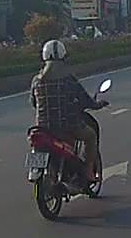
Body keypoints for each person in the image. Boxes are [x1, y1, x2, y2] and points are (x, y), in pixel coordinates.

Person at [30, 39, 106, 182]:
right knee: (90, 136)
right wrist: (98, 104)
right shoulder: (68, 80)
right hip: (68, 125)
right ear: (64, 58)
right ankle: (89, 170)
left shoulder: (37, 80)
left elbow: (33, 103)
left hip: (43, 127)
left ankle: (35, 169)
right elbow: (84, 99)